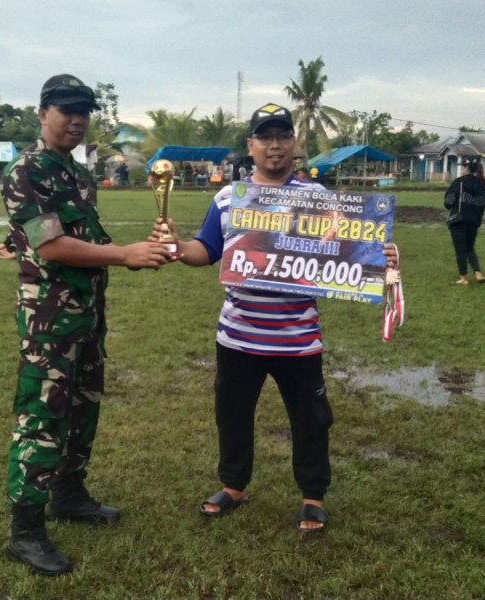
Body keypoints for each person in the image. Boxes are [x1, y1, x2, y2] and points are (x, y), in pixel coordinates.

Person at [152, 103, 400, 535]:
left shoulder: (320, 200)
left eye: (282, 136)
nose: (274, 145)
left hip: (298, 338)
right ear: (250, 146)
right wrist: (174, 248)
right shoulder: (229, 198)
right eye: (264, 137)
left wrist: (381, 256)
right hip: (238, 335)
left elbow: (351, 252)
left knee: (310, 419)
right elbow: (206, 250)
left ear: (294, 144)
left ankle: (312, 496)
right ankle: (232, 485)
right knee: (231, 414)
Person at [1, 74, 170, 576]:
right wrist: (125, 255)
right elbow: (51, 247)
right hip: (49, 321)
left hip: (86, 313)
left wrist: (148, 244)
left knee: (82, 406)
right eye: (66, 109)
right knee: (42, 416)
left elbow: (86, 239)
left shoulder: (76, 173)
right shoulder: (26, 171)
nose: (76, 119)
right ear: (42, 113)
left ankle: (68, 495)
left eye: (84, 111)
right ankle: (25, 531)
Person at [445, 158, 485, 285]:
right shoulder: (480, 183)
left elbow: (448, 200)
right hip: (473, 221)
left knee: (460, 250)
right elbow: (483, 203)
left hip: (458, 220)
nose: (461, 169)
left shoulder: (459, 182)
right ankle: (478, 273)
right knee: (470, 248)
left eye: (463, 167)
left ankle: (464, 278)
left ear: (467, 168)